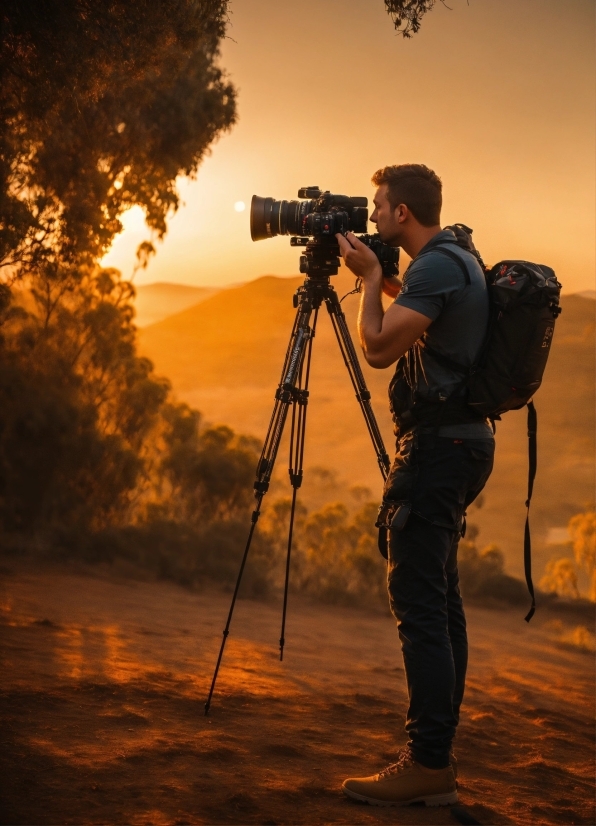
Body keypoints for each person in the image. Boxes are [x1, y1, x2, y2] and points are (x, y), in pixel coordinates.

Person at [335, 164, 495, 808]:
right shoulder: (458, 255)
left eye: (377, 208)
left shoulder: (433, 265)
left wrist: (371, 279)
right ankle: (435, 753)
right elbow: (422, 318)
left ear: (402, 213)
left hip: (437, 450)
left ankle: (428, 760)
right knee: (441, 598)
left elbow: (377, 348)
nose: (371, 217)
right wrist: (386, 275)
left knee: (420, 605)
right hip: (465, 441)